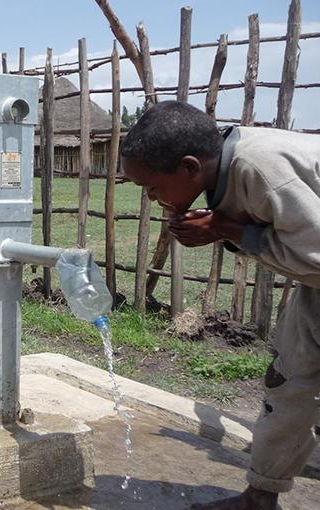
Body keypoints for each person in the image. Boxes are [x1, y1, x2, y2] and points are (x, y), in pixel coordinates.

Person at [120, 100, 320, 510]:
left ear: (190, 167)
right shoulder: (224, 166)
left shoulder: (261, 171)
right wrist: (225, 229)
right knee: (289, 382)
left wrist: (227, 229)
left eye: (152, 188)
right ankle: (259, 499)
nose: (153, 199)